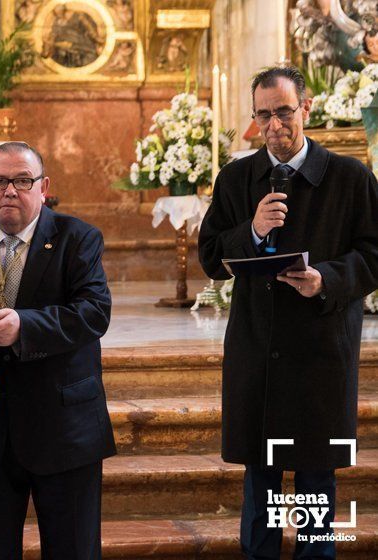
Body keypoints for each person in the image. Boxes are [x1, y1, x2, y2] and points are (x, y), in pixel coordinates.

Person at [198, 65, 378, 558]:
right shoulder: (237, 178)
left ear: (306, 109)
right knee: (261, 481)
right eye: (262, 116)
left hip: (322, 350)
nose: (273, 126)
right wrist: (251, 231)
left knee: (317, 483)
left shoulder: (349, 177)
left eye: (283, 112)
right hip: (258, 349)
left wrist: (326, 279)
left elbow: (374, 255)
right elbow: (212, 256)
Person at [0, 142, 115, 559]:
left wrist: (25, 326)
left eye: (22, 180)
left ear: (42, 186)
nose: (9, 190)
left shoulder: (77, 238)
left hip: (64, 428)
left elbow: (94, 312)